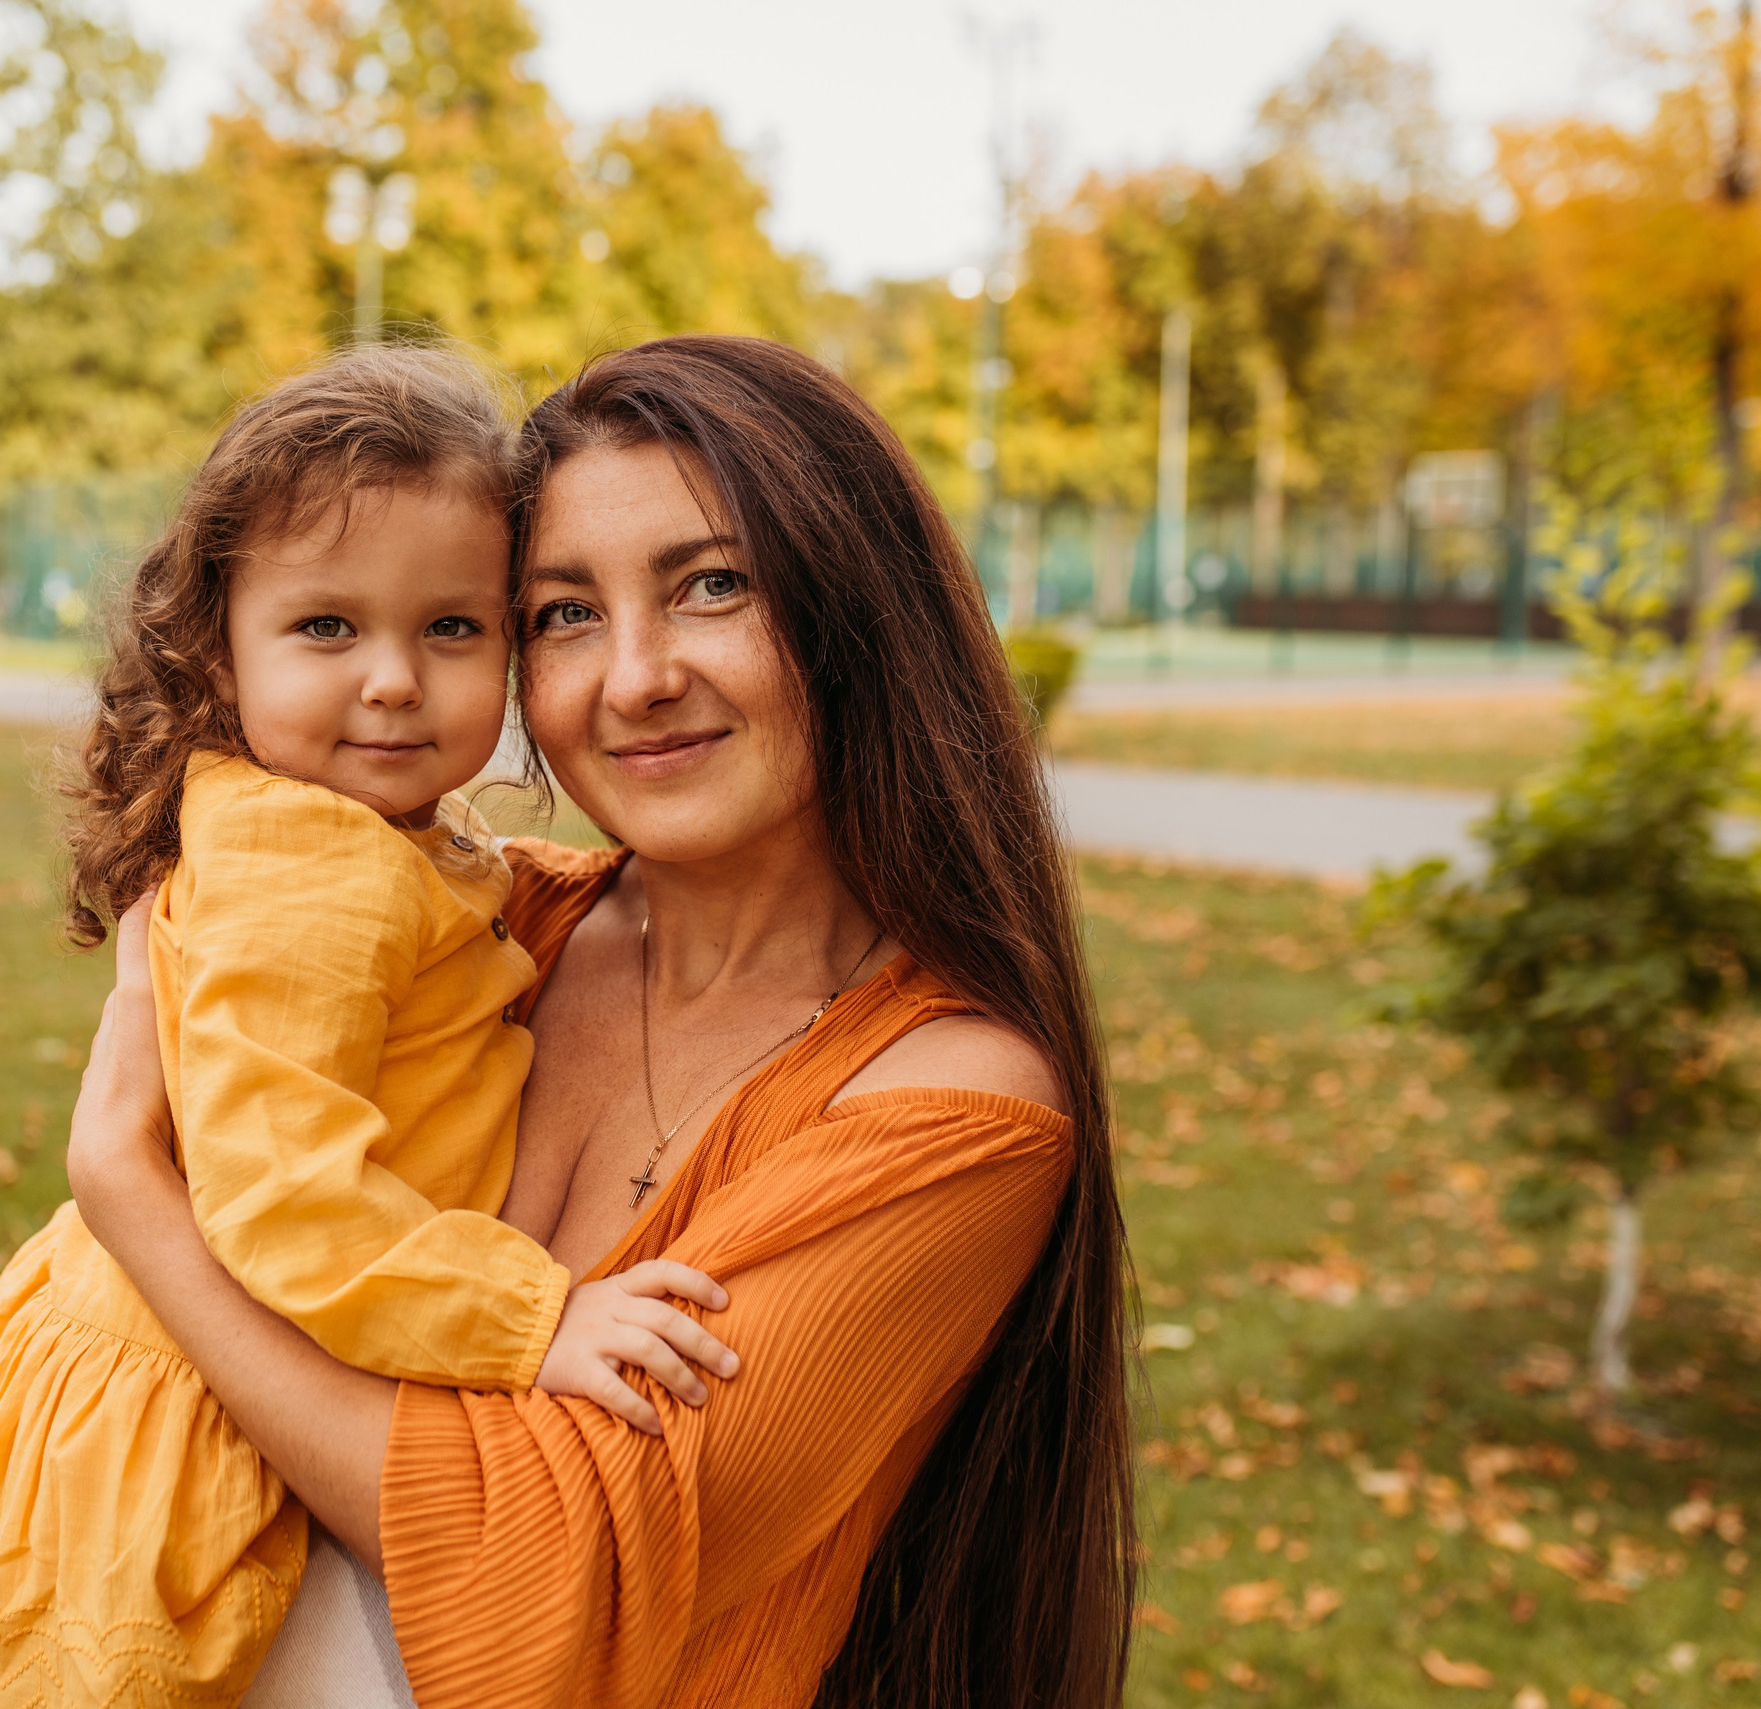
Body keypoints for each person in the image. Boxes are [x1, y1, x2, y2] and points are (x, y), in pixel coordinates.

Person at [63, 336, 1138, 1709]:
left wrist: (127, 1190)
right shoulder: (486, 926)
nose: (634, 678)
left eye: (712, 587)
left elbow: (536, 1574)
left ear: (860, 610)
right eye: (565, 611)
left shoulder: (954, 1108)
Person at [0, 348, 736, 1709]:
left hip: (199, 1366)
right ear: (215, 652)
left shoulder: (384, 838)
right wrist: (535, 1321)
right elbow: (286, 1202)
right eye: (328, 628)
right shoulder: (315, 870)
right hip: (180, 1408)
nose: (396, 680)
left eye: (453, 629)